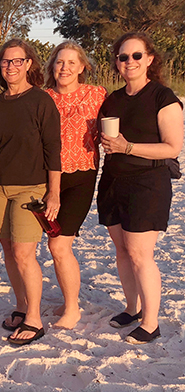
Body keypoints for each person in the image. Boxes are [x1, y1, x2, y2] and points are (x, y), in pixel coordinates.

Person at [98, 32, 183, 344]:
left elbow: (172, 148)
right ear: (117, 63)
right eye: (123, 57)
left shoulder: (163, 97)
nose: (129, 62)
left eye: (136, 56)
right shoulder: (113, 99)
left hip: (148, 183)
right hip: (112, 181)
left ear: (149, 59)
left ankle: (151, 322)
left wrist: (127, 146)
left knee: (139, 254)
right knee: (121, 250)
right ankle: (132, 308)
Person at [0, 38, 61, 345]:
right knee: (8, 252)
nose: (11, 67)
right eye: (6, 62)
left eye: (18, 61)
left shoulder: (41, 101)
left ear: (29, 64)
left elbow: (53, 149)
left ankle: (34, 319)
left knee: (24, 254)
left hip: (30, 189)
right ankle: (21, 306)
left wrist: (53, 194)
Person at [43, 41, 107, 329]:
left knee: (59, 244)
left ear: (82, 67)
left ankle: (73, 308)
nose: (64, 68)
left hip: (81, 176)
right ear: (52, 67)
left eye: (71, 62)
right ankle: (69, 299)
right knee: (52, 243)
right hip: (47, 179)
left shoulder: (97, 95)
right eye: (59, 62)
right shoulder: (43, 98)